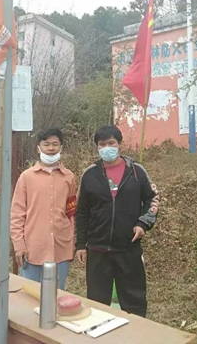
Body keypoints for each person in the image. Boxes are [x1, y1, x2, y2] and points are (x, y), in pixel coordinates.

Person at [75, 125, 158, 317]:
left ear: (120, 144)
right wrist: (80, 244)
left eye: (111, 143)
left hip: (128, 247)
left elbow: (152, 199)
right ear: (97, 147)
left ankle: (135, 331)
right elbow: (82, 211)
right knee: (97, 303)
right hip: (97, 249)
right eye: (102, 144)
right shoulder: (90, 174)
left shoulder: (136, 171)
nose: (107, 148)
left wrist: (143, 224)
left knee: (134, 301)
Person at [11, 128, 77, 290]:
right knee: (29, 294)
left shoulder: (69, 177)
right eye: (46, 144)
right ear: (38, 148)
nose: (51, 148)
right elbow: (17, 214)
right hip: (33, 247)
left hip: (61, 247)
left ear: (61, 147)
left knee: (57, 294)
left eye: (55, 144)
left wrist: (72, 240)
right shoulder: (27, 177)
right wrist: (19, 244)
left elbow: (71, 212)